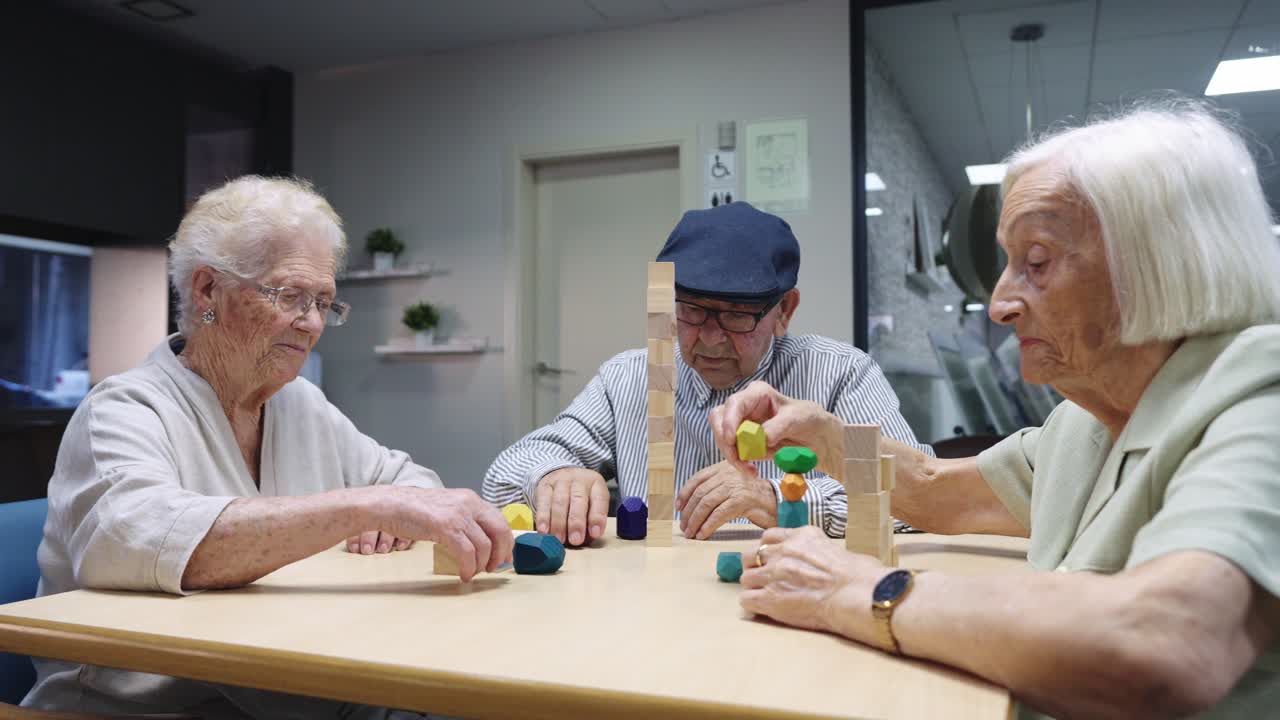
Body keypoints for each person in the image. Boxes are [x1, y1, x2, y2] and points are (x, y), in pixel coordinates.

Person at [710, 103, 1280, 718]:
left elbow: (1168, 641)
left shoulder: (1260, 398)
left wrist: (856, 591)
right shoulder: (1090, 420)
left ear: (1160, 266)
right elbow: (935, 491)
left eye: (1035, 263)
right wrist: (820, 434)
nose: (1000, 303)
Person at [23, 176, 513, 718]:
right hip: (150, 706)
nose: (311, 324)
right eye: (291, 296)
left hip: (291, 686)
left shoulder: (299, 402)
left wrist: (392, 507)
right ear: (208, 291)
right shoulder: (123, 409)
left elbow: (412, 485)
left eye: (324, 302)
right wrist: (366, 508)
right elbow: (147, 540)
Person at [483, 202, 929, 545]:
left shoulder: (840, 374)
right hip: (657, 610)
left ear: (784, 311)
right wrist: (554, 477)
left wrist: (779, 500)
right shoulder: (628, 377)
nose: (710, 338)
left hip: (794, 605)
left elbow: (917, 502)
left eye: (737, 316)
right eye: (692, 311)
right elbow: (504, 474)